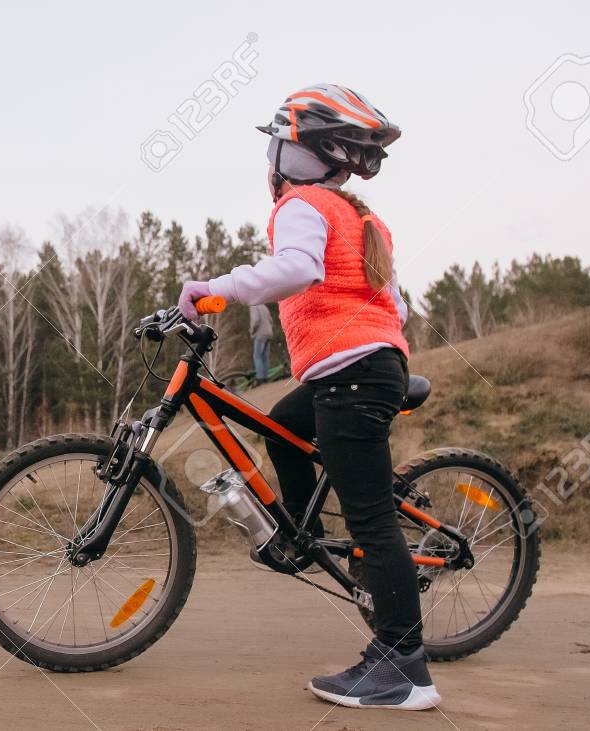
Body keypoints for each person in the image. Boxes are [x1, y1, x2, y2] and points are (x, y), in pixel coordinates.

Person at [178, 84, 436, 710]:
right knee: (279, 425)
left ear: (296, 152)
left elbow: (296, 269)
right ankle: (302, 535)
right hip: (358, 368)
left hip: (352, 373)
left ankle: (404, 669)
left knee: (372, 518)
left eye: (276, 144)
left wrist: (215, 289)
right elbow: (393, 305)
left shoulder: (302, 204)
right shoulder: (361, 217)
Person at [248, 303, 274, 382]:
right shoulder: (263, 306)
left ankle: (260, 378)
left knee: (257, 356)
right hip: (268, 333)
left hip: (260, 334)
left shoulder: (253, 306)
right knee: (265, 356)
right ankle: (266, 377)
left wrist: (252, 330)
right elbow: (271, 320)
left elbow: (256, 320)